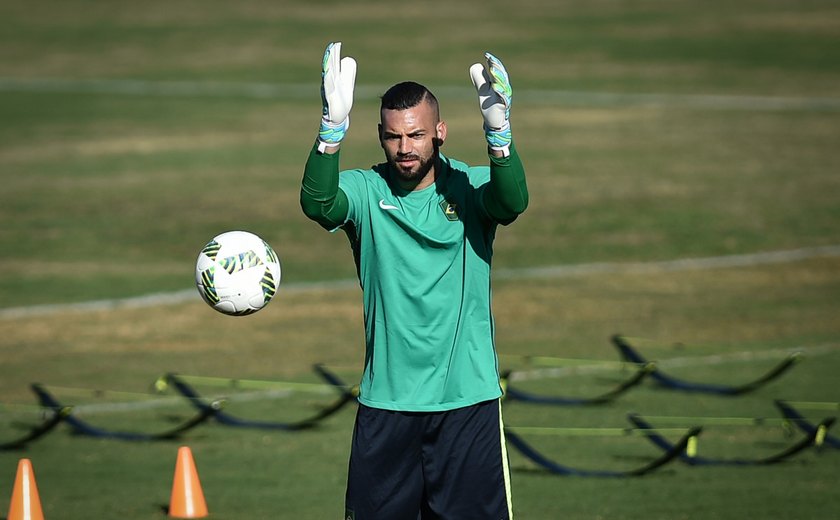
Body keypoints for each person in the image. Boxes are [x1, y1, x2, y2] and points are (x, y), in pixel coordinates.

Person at [300, 41, 528, 520]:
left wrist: (500, 137)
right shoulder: (366, 191)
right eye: (393, 137)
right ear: (381, 136)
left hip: (466, 402)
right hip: (388, 403)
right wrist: (329, 134)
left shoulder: (468, 186)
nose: (405, 149)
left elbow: (512, 203)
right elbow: (318, 204)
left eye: (416, 135)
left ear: (439, 132)